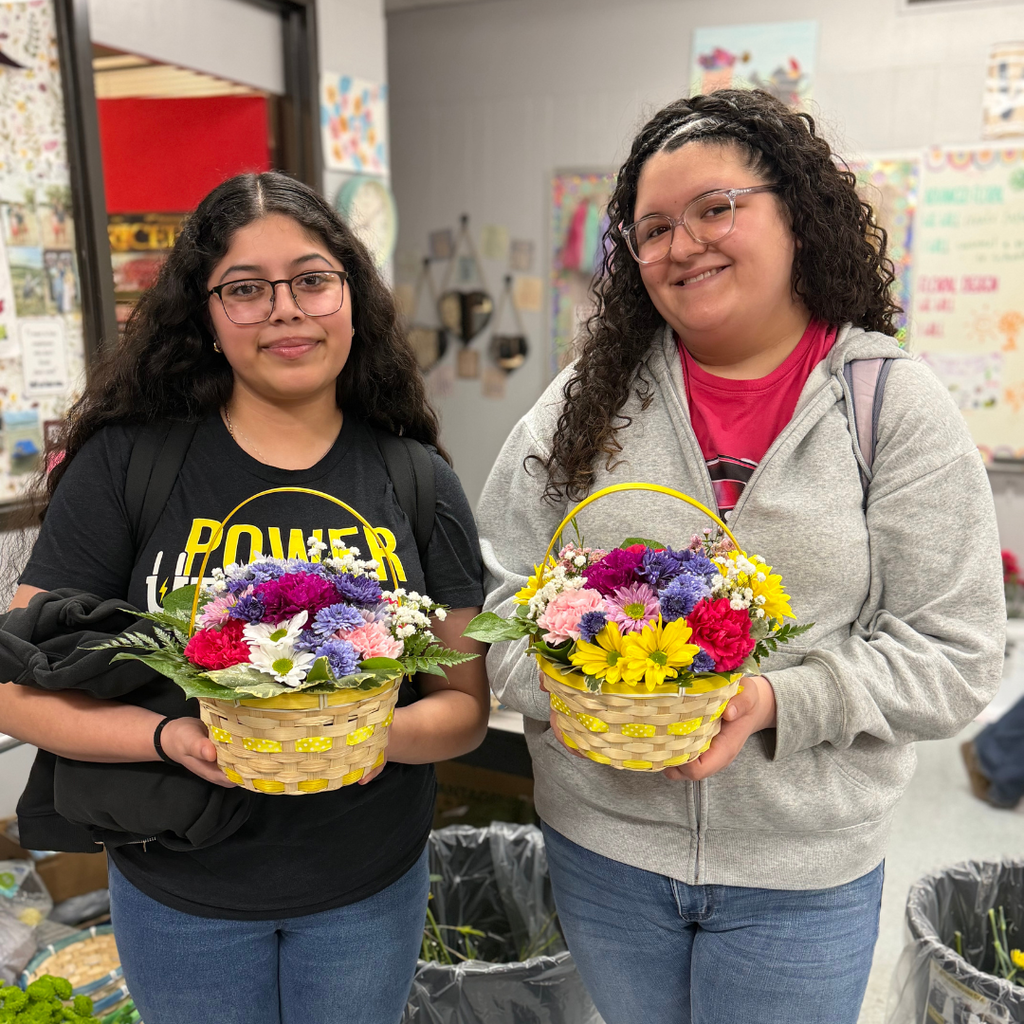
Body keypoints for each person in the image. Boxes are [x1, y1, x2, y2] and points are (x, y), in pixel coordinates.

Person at [476, 90, 1005, 1024]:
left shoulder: (890, 408)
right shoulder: (582, 403)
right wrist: (575, 683)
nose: (683, 245)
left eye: (715, 208)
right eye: (652, 229)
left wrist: (771, 701)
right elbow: (502, 593)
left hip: (802, 869)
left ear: (796, 213)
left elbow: (956, 653)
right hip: (605, 847)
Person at [0, 171, 489, 1024]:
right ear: (206, 316)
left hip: (365, 886)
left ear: (350, 295)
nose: (285, 310)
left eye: (311, 279)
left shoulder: (419, 479)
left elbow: (464, 708)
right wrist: (167, 735)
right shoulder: (127, 465)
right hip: (181, 887)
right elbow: (18, 690)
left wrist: (366, 737)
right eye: (246, 289)